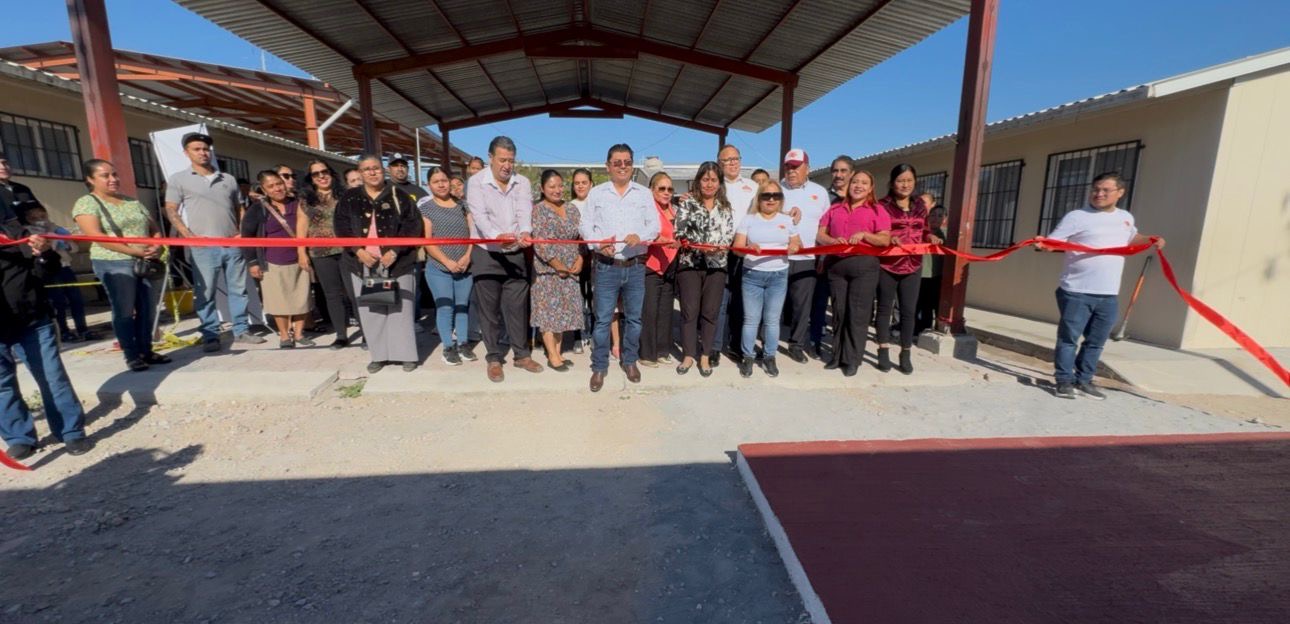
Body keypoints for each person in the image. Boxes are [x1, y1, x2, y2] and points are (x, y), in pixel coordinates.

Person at [1038, 172, 1164, 400]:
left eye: (1106, 190)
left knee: (1096, 342)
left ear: (1120, 193)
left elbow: (1131, 238)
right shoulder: (1077, 217)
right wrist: (1042, 244)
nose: (1099, 194)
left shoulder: (1125, 217)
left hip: (1108, 293)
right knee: (1068, 339)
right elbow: (1053, 242)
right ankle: (1064, 381)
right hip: (1076, 291)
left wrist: (1151, 239)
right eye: (1096, 189)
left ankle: (1084, 381)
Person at [1, 210, 91, 459]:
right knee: (2, 385)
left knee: (52, 377)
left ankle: (70, 431)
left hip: (32, 320)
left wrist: (45, 253)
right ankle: (19, 438)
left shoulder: (15, 233)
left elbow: (47, 270)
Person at [164, 132, 264, 352]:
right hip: (203, 247)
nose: (202, 153)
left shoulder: (227, 179)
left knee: (239, 290)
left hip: (232, 244)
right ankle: (210, 334)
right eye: (197, 149)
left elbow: (239, 207)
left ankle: (241, 330)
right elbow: (171, 209)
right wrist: (187, 234)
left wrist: (241, 232)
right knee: (206, 292)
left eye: (205, 149)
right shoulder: (179, 179)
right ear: (186, 153)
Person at [70, 159, 167, 371]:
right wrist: (133, 251)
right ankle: (131, 355)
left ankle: (146, 350)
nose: (113, 179)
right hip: (113, 262)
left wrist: (156, 246)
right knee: (124, 310)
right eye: (105, 175)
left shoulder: (132, 202)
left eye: (114, 174)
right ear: (90, 179)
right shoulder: (87, 203)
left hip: (145, 261)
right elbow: (95, 235)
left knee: (148, 309)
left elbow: (154, 229)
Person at [580, 144, 659, 392]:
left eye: (627, 162)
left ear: (632, 165)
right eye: (617, 162)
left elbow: (654, 226)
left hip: (635, 266)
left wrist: (640, 236)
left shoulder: (644, 194)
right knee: (603, 320)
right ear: (608, 166)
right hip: (606, 267)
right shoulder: (597, 194)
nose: (622, 166)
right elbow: (585, 226)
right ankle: (599, 366)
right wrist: (597, 244)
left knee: (634, 320)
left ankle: (630, 361)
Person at [334, 155, 424, 373]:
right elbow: (341, 226)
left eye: (375, 168)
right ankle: (379, 355)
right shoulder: (350, 198)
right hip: (363, 263)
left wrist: (395, 250)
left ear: (382, 170)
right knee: (372, 311)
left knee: (400, 310)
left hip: (397, 263)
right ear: (360, 172)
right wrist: (358, 251)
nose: (372, 172)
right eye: (367, 169)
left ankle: (405, 355)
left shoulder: (399, 195)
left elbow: (413, 225)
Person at [467, 136, 542, 382]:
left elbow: (524, 212)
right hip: (486, 252)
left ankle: (521, 355)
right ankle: (494, 358)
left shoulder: (522, 182)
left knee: (517, 307)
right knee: (489, 311)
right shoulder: (476, 182)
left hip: (515, 252)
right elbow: (479, 216)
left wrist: (526, 233)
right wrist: (496, 237)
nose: (507, 165)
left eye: (511, 160)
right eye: (502, 160)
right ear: (490, 158)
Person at [815, 170, 891, 376]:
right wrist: (832, 241)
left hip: (864, 267)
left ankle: (852, 359)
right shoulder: (835, 208)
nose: (858, 186)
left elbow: (885, 239)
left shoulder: (877, 210)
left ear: (871, 188)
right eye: (855, 182)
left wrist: (866, 235)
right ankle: (837, 355)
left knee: (857, 314)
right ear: (848, 185)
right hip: (836, 267)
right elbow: (820, 233)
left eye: (864, 183)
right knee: (839, 312)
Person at [875, 164, 942, 375]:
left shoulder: (920, 205)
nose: (905, 185)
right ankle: (883, 350)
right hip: (887, 264)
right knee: (884, 309)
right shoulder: (882, 205)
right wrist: (889, 238)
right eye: (900, 180)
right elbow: (878, 231)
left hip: (913, 264)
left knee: (908, 311)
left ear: (915, 182)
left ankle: (905, 353)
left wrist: (930, 236)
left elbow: (924, 229)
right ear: (892, 183)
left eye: (909, 180)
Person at [733, 180, 802, 378]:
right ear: (759, 198)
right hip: (752, 275)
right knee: (751, 320)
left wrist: (794, 246)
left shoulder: (787, 220)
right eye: (766, 195)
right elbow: (737, 248)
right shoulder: (748, 219)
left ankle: (769, 356)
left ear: (781, 199)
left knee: (772, 320)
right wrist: (747, 248)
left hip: (778, 276)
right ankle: (748, 357)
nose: (771, 199)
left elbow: (797, 242)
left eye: (776, 196)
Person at [673, 161, 734, 377]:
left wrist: (718, 248)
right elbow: (679, 231)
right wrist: (696, 244)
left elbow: (729, 234)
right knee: (689, 312)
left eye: (713, 180)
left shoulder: (725, 207)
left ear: (719, 183)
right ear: (699, 181)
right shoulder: (688, 203)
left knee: (710, 312)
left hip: (716, 266)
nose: (709, 184)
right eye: (705, 179)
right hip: (690, 264)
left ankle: (705, 355)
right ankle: (688, 354)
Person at [242, 170, 312, 348]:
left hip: (300, 258)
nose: (277, 188)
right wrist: (252, 262)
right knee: (278, 300)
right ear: (264, 189)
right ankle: (284, 335)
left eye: (279, 184)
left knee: (301, 297)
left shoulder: (298, 203)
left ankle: (299, 333)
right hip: (272, 261)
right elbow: (247, 236)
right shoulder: (257, 209)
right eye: (271, 186)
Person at [418, 167, 476, 365]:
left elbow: (473, 234)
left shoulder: (463, 206)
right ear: (429, 185)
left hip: (464, 267)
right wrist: (447, 261)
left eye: (444, 180)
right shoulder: (426, 208)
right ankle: (448, 347)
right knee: (445, 308)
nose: (441, 185)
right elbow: (428, 241)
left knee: (462, 307)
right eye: (436, 182)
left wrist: (467, 256)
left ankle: (463, 343)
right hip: (439, 268)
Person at [781, 149, 832, 363]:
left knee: (802, 305)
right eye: (788, 167)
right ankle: (766, 342)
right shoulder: (776, 190)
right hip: (779, 258)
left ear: (807, 169)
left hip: (807, 259)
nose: (791, 171)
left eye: (796, 167)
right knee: (774, 304)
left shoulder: (820, 193)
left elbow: (825, 226)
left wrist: (823, 257)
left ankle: (796, 345)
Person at [530, 170, 584, 372]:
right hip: (548, 270)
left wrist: (580, 258)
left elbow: (581, 237)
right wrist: (557, 264)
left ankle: (559, 352)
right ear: (542, 188)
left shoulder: (572, 209)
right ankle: (552, 355)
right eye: (552, 186)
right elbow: (540, 242)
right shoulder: (539, 210)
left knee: (562, 314)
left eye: (560, 186)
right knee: (548, 314)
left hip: (571, 269)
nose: (557, 190)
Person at [20, 202, 95, 342]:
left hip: (65, 266)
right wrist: (50, 242)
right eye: (34, 217)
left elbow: (75, 248)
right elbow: (37, 251)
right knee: (58, 302)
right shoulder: (27, 232)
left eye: (42, 215)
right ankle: (64, 331)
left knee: (76, 300)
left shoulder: (56, 228)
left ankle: (83, 329)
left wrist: (65, 243)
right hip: (48, 269)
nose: (40, 219)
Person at [301, 160, 356, 349]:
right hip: (321, 253)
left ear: (331, 173)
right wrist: (301, 252)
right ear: (311, 178)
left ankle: (367, 333)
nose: (321, 176)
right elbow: (302, 227)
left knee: (354, 292)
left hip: (348, 251)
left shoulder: (346, 195)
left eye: (324, 172)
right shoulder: (307, 200)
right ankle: (341, 336)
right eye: (315, 174)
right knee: (332, 295)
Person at [713, 145, 757, 365]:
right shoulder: (713, 185)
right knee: (718, 300)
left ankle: (736, 345)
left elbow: (767, 211)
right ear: (719, 163)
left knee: (741, 300)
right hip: (719, 249)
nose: (732, 163)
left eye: (735, 159)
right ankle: (714, 347)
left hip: (744, 249)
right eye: (726, 160)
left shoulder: (753, 186)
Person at [639, 172, 679, 367]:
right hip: (651, 266)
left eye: (670, 189)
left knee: (665, 312)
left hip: (670, 267)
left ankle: (663, 351)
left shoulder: (675, 210)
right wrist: (657, 239)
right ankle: (647, 354)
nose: (666, 192)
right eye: (661, 188)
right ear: (652, 190)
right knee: (650, 312)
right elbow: (642, 234)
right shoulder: (647, 210)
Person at [569, 168, 596, 354]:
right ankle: (577, 337)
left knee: (593, 298)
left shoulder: (597, 204)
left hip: (594, 259)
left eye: (584, 182)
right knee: (577, 299)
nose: (580, 186)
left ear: (591, 184)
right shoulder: (569, 206)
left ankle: (594, 334)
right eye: (577, 183)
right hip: (575, 258)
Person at [916, 199, 947, 334]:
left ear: (945, 219)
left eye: (940, 215)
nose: (936, 218)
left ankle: (937, 329)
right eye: (933, 215)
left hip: (938, 275)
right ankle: (922, 328)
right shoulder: (923, 232)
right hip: (922, 274)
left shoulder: (946, 234)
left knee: (936, 303)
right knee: (922, 304)